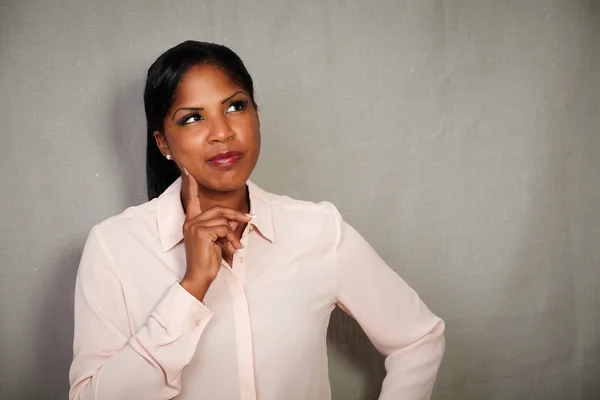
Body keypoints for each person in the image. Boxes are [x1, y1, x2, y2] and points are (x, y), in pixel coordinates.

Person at [68, 40, 445, 400]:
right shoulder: (115, 246)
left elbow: (418, 338)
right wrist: (192, 287)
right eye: (193, 118)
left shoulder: (318, 228)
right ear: (163, 143)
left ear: (256, 114)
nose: (222, 133)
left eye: (235, 107)